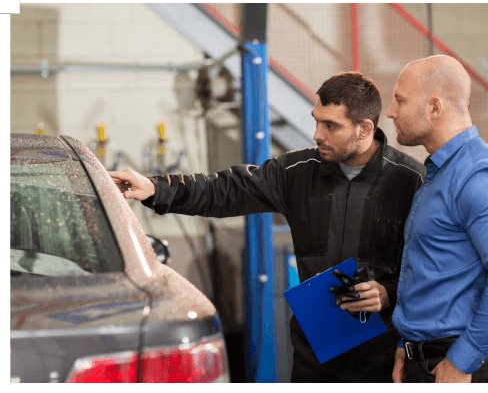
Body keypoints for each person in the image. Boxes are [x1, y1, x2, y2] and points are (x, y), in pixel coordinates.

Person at [108, 71, 426, 383]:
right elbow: (223, 189)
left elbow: (434, 269)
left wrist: (390, 293)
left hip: (382, 353)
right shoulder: (296, 171)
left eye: (330, 125)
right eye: (316, 120)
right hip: (315, 348)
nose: (317, 134)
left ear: (364, 128)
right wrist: (153, 188)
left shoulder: (411, 181)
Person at [386, 55, 488, 383]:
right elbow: (435, 276)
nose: (391, 112)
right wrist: (410, 345)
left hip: (464, 368)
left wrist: (461, 360)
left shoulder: (478, 176)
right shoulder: (440, 174)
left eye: (400, 100)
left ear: (435, 107)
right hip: (427, 360)